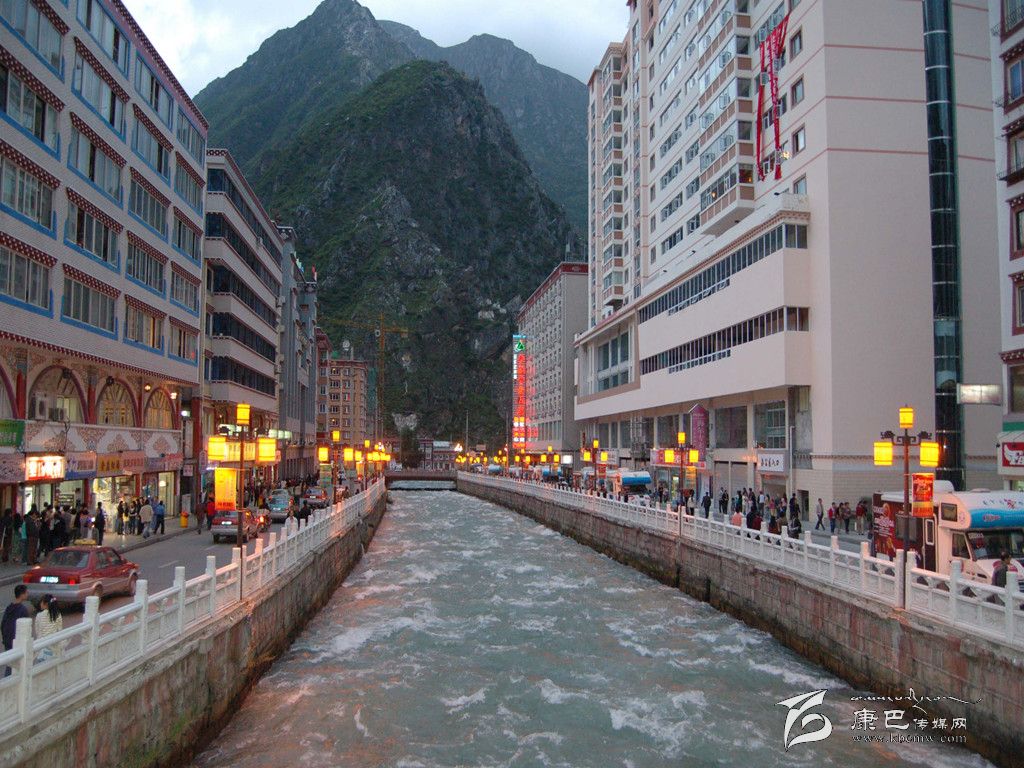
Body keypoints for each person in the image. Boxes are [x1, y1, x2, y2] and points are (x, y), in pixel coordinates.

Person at [2, 585, 31, 676]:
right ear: (22, 595)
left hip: (7, 640)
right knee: (15, 665)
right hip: (17, 641)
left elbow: (3, 623)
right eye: (26, 592)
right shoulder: (23, 610)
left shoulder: (9, 608)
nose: (28, 594)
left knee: (10, 664)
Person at [33, 594, 63, 662]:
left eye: (41, 602)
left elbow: (38, 631)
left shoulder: (39, 615)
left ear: (45, 604)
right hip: (54, 645)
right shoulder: (58, 615)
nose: (40, 604)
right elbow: (60, 630)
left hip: (42, 646)